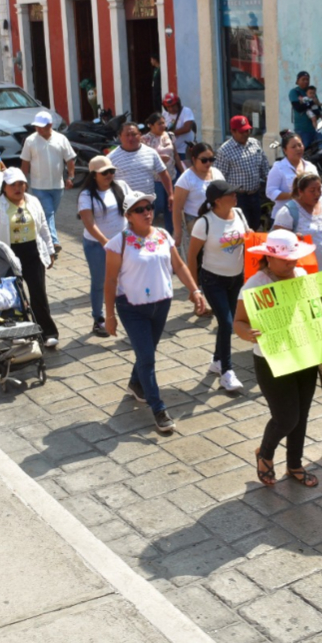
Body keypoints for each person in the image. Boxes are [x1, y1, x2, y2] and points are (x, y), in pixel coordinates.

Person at [235, 230, 322, 488]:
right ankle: (265, 453)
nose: (291, 263)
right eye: (285, 259)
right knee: (286, 418)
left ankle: (294, 463)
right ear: (269, 258)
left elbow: (318, 311)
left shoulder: (303, 276)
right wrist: (248, 334)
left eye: (293, 258)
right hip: (271, 360)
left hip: (304, 355)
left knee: (302, 414)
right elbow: (238, 322)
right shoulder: (255, 284)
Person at [103, 190, 206, 435]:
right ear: (128, 215)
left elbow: (179, 265)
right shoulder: (119, 242)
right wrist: (109, 315)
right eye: (139, 210)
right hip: (132, 307)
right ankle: (158, 409)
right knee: (148, 358)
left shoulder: (162, 235)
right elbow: (109, 280)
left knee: (145, 353)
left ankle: (135, 384)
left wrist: (195, 291)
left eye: (149, 207)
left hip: (161, 304)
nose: (147, 212)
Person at [0, 168, 60, 348]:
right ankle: (18, 331)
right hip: (9, 255)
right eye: (13, 184)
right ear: (5, 187)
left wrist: (50, 250)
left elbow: (43, 226)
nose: (17, 188)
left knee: (38, 294)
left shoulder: (33, 201)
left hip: (33, 253)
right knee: (14, 296)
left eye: (21, 184)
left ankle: (47, 333)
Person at [189, 181, 250, 394]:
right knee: (227, 323)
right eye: (230, 194)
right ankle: (227, 372)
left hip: (237, 278)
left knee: (227, 323)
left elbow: (249, 239)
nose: (235, 196)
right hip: (213, 280)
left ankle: (217, 360)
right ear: (217, 200)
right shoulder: (204, 223)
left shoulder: (240, 214)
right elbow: (192, 255)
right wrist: (193, 287)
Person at [77, 156, 128, 338]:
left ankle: (126, 316)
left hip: (123, 243)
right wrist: (106, 243)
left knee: (125, 280)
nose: (109, 175)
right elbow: (89, 223)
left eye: (111, 171)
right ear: (93, 175)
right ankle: (99, 319)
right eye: (104, 172)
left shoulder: (121, 187)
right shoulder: (86, 196)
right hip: (96, 246)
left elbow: (132, 210)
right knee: (100, 281)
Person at [20, 111, 76, 254]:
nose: (38, 129)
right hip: (39, 186)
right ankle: (53, 242)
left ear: (50, 125)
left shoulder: (61, 139)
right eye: (36, 127)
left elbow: (69, 159)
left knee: (48, 214)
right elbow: (25, 163)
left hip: (58, 186)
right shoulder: (30, 141)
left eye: (41, 126)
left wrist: (70, 177)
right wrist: (22, 182)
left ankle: (41, 238)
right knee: (48, 213)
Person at [273, 171, 322, 273]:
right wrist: (293, 239)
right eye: (312, 190)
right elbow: (277, 245)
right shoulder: (288, 212)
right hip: (301, 272)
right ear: (300, 191)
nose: (317, 194)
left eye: (319, 189)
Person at [109, 121, 174, 229]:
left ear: (140, 135)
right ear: (120, 137)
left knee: (145, 236)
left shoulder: (151, 153)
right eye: (127, 135)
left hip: (146, 208)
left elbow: (163, 173)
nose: (131, 138)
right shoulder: (111, 158)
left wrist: (171, 194)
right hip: (125, 208)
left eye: (134, 134)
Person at [214, 115, 269, 228]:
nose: (246, 134)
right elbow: (219, 178)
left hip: (255, 194)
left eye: (248, 130)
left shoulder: (255, 143)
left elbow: (264, 165)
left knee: (255, 225)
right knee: (241, 228)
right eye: (242, 131)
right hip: (238, 198)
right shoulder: (224, 151)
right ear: (233, 131)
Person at [173, 142, 224, 258]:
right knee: (198, 257)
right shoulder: (186, 178)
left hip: (216, 219)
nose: (208, 163)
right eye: (204, 160)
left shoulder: (217, 173)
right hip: (195, 222)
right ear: (194, 159)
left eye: (211, 159)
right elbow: (177, 207)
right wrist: (177, 233)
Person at [266, 132, 318, 221]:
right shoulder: (278, 168)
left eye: (300, 145)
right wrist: (294, 195)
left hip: (307, 217)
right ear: (285, 150)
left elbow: (320, 189)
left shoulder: (311, 167)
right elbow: (271, 192)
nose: (298, 149)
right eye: (293, 147)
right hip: (284, 217)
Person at [142, 112, 179, 235]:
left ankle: (169, 232)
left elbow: (175, 154)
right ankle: (148, 228)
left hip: (171, 175)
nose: (163, 125)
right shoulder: (145, 139)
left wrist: (183, 171)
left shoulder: (170, 135)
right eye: (159, 124)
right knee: (159, 204)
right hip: (155, 178)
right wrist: (157, 158)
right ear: (151, 126)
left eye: (164, 123)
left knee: (171, 206)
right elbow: (143, 157)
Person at [288, 71, 322, 149]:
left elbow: (319, 108)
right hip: (302, 130)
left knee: (321, 149)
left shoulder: (311, 92)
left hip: (314, 129)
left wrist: (317, 114)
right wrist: (311, 103)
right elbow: (298, 108)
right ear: (297, 81)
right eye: (303, 79)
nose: (306, 81)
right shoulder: (294, 92)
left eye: (307, 79)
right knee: (305, 152)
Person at [162, 93, 196, 161]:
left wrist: (170, 134)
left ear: (178, 104)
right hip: (171, 150)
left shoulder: (186, 111)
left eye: (173, 106)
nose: (171, 109)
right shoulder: (164, 114)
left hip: (184, 150)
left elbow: (187, 128)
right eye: (168, 107)